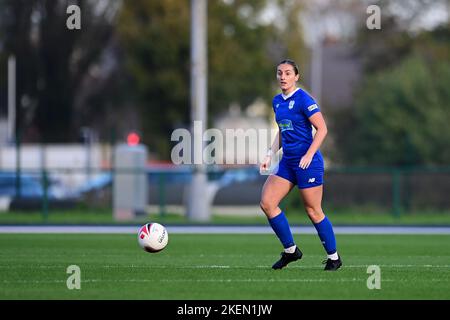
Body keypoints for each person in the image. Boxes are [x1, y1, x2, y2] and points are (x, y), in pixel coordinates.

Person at [259, 59, 342, 271]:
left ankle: (334, 257)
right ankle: (291, 251)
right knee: (267, 202)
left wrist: (309, 153)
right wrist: (270, 154)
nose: (283, 77)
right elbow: (282, 129)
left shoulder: (304, 99)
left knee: (313, 211)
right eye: (279, 73)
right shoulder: (277, 101)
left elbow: (322, 129)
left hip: (309, 163)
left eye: (287, 73)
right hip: (288, 162)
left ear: (296, 77)